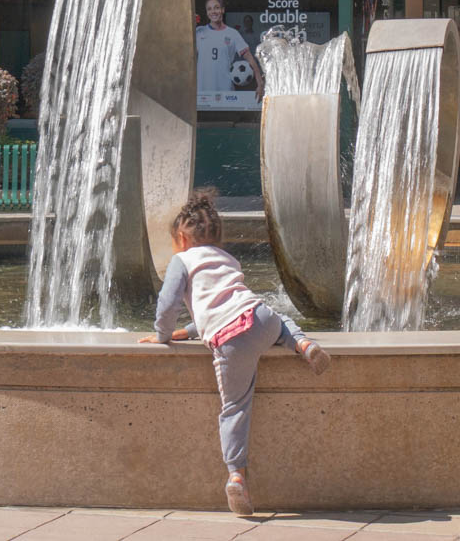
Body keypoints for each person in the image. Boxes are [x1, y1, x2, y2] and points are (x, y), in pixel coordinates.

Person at [139, 189, 329, 517]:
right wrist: (189, 331)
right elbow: (226, 304)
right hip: (260, 318)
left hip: (231, 340)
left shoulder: (181, 261)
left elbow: (168, 303)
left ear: (182, 238)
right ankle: (303, 344)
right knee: (279, 319)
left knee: (235, 408)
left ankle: (237, 476)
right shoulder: (227, 260)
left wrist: (164, 335)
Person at [195, 0, 263, 101]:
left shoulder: (232, 34)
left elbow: (250, 59)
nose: (213, 11)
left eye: (216, 7)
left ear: (222, 10)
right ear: (207, 12)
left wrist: (260, 83)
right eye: (209, 9)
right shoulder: (199, 32)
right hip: (202, 93)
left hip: (225, 93)